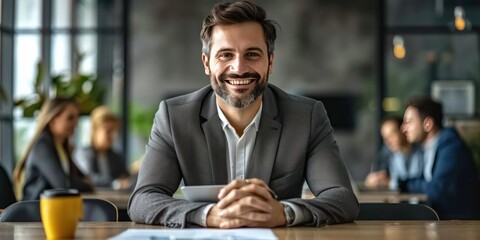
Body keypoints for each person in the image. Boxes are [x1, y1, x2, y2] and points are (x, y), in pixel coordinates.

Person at [128, 0, 358, 228]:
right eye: (226, 55)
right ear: (206, 63)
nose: (238, 68)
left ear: (270, 62)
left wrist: (285, 213)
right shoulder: (174, 117)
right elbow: (143, 199)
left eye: (252, 54)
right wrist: (209, 215)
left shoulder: (306, 117)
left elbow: (342, 198)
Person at [400, 97, 480, 219]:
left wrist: (406, 184)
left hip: (459, 224)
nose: (403, 128)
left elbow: (437, 190)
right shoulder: (426, 147)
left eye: (409, 121)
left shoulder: (451, 147)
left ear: (428, 124)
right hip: (440, 220)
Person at [13, 97, 94, 200]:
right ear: (52, 120)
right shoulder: (43, 146)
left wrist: (85, 182)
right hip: (35, 211)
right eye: (70, 118)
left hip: (53, 208)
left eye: (76, 118)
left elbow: (82, 177)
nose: (76, 123)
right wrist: (88, 185)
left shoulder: (60, 147)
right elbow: (64, 184)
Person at [75, 106, 131, 190]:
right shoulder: (83, 154)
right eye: (108, 131)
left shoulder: (116, 157)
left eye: (116, 131)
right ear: (94, 130)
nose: (114, 136)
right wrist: (116, 183)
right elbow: (88, 178)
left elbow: (126, 178)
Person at [364, 116, 423, 190]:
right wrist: (374, 179)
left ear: (403, 131)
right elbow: (377, 172)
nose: (388, 141)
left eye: (392, 135)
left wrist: (391, 182)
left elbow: (417, 183)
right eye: (385, 137)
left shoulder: (421, 152)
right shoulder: (387, 154)